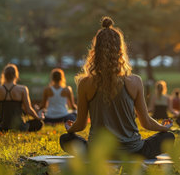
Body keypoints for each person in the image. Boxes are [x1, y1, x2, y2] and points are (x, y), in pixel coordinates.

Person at [59, 17, 174, 159]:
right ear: (120, 50)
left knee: (65, 139)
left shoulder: (85, 83)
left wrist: (71, 129)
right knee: (168, 137)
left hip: (98, 152)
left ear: (95, 50)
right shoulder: (135, 81)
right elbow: (146, 122)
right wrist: (164, 128)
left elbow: (81, 124)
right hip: (133, 151)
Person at [0, 64, 43, 132]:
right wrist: (38, 118)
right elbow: (28, 110)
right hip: (19, 126)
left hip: (2, 126)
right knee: (39, 123)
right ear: (16, 75)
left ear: (4, 75)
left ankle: (1, 129)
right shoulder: (23, 89)